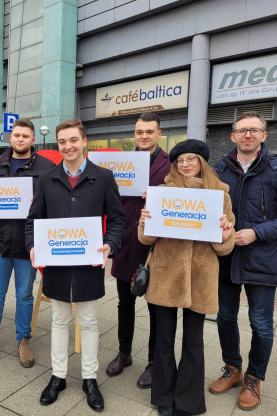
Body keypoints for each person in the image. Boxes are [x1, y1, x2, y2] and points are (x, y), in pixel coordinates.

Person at [25, 119, 126, 411]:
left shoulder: (104, 177)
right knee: (58, 319)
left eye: (73, 140)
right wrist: (32, 246)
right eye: (62, 142)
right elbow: (33, 220)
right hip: (56, 263)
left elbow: (117, 219)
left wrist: (110, 243)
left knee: (89, 321)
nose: (68, 146)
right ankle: (58, 376)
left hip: (88, 263)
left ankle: (89, 378)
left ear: (84, 142)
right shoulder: (46, 178)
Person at [210, 111, 277, 410]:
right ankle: (233, 369)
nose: (248, 135)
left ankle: (253, 378)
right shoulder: (219, 168)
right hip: (226, 258)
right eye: (242, 130)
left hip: (262, 258)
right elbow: (205, 207)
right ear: (233, 136)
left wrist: (257, 233)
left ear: (264, 135)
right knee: (225, 317)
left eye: (254, 130)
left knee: (261, 324)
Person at [138, 140, 235, 416]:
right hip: (166, 274)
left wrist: (225, 235)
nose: (185, 164)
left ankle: (188, 401)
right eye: (180, 160)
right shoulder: (162, 192)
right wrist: (145, 222)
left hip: (201, 277)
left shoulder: (220, 195)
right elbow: (145, 239)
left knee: (193, 341)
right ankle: (163, 396)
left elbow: (224, 248)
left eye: (191, 159)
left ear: (202, 161)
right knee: (164, 338)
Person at [0, 118, 54, 369]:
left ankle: (23, 340)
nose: (20, 139)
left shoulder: (47, 167)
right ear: (11, 137)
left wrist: (41, 202)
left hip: (28, 244)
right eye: (17, 135)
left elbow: (53, 202)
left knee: (24, 296)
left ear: (33, 140)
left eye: (25, 136)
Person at [107, 112, 171, 388]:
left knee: (155, 306)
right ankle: (124, 353)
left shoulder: (171, 164)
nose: (143, 136)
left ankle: (154, 362)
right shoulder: (121, 164)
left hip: (157, 245)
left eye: (149, 131)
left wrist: (159, 196)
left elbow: (184, 194)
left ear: (159, 134)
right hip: (126, 240)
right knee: (125, 302)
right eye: (139, 132)